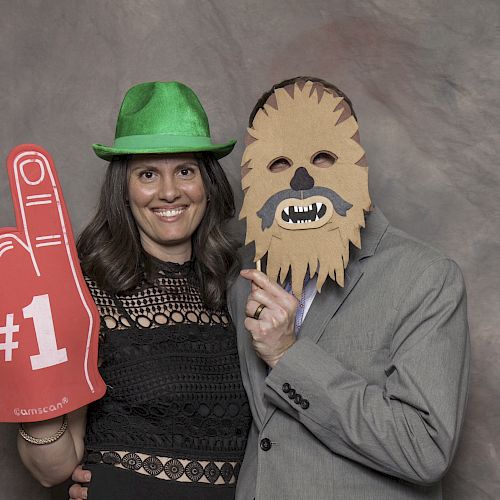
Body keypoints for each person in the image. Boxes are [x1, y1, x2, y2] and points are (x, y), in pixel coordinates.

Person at [70, 76, 470, 500]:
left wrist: (288, 355)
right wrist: (122, 476)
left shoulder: (425, 277)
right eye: (279, 162)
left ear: (357, 159)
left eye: (323, 155)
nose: (301, 178)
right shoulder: (236, 266)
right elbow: (182, 389)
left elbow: (425, 449)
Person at [17, 81, 251, 500]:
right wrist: (37, 372)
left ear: (208, 184)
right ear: (123, 190)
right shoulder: (86, 293)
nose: (168, 192)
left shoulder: (239, 288)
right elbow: (53, 470)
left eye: (185, 170)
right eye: (148, 174)